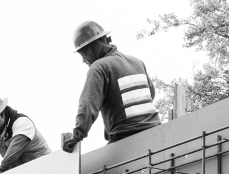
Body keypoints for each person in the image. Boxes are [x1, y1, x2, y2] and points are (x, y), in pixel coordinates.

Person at [61, 20, 162, 153]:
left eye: (82, 54)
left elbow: (88, 104)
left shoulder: (99, 67)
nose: (83, 60)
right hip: (157, 134)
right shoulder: (137, 62)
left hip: (125, 139)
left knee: (91, 173)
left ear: (91, 47)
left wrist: (77, 135)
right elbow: (150, 95)